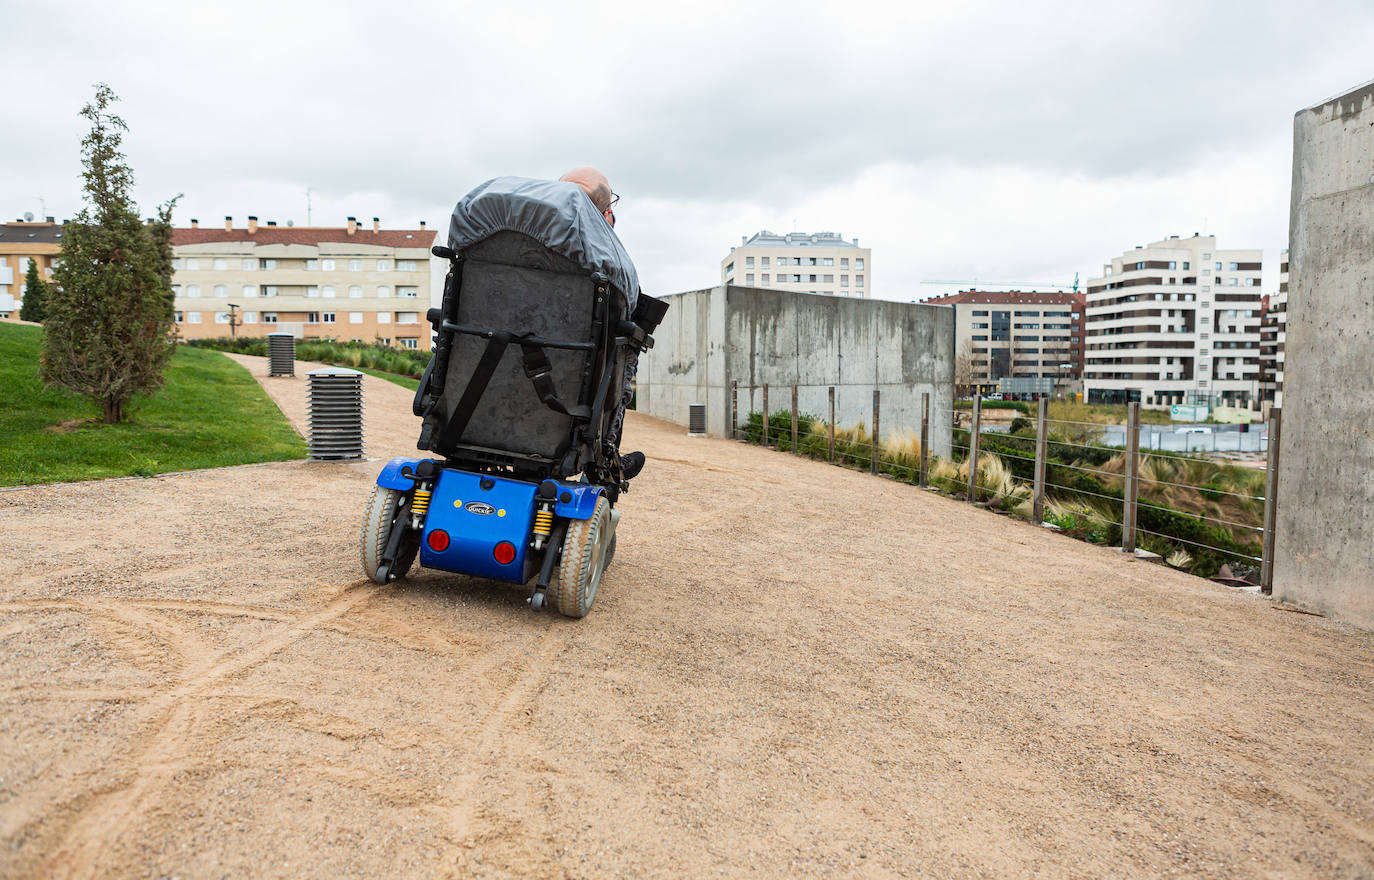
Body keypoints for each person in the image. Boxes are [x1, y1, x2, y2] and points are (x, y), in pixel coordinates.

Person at [559, 166, 645, 482]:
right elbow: (628, 305)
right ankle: (605, 462)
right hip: (570, 383)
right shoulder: (606, 260)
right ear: (605, 212)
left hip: (485, 377)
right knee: (627, 346)